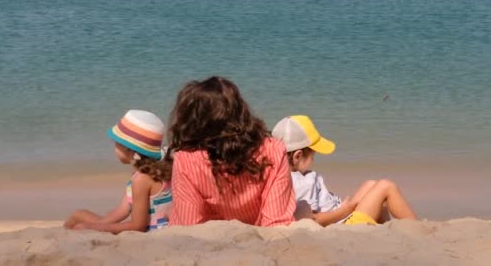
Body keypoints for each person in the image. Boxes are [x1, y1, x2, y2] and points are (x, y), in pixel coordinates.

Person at [167, 76, 296, 227]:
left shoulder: (185, 161)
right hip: (257, 233)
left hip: (207, 239)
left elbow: (189, 225)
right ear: (241, 111)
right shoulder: (274, 149)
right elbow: (276, 222)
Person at [271, 115, 417, 226]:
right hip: (343, 224)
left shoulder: (290, 176)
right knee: (386, 186)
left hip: (342, 216)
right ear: (297, 156)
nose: (314, 158)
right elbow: (314, 219)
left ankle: (382, 227)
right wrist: (346, 209)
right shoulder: (299, 183)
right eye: (313, 154)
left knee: (371, 184)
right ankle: (416, 228)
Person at [64, 110, 172, 233]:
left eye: (116, 143)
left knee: (81, 226)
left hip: (152, 232)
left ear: (129, 149)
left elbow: (138, 226)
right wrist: (95, 226)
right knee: (79, 215)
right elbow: (121, 211)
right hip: (150, 228)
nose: (114, 147)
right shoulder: (152, 171)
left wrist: (90, 228)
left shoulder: (141, 179)